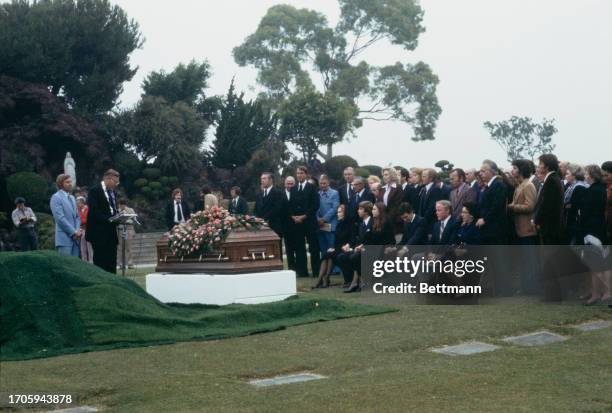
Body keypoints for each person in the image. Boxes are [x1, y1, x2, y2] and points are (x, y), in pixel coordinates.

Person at [341, 201, 394, 293]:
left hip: (382, 249)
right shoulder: (375, 221)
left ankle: (359, 282)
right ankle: (359, 282)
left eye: (374, 209)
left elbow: (389, 239)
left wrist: (366, 246)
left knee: (356, 257)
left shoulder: (386, 222)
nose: (372, 211)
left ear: (380, 211)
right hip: (372, 248)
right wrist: (362, 246)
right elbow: (369, 238)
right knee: (354, 256)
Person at [581, 165, 609, 305]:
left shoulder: (595, 190)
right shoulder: (597, 189)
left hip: (593, 229)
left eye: (586, 173)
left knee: (594, 263)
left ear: (591, 175)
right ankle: (596, 292)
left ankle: (596, 294)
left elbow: (588, 209)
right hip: (593, 227)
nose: (584, 175)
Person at [86, 169, 120, 273]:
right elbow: (94, 211)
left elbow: (113, 209)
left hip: (111, 233)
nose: (116, 184)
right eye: (115, 181)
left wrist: (119, 217)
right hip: (98, 233)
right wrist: (109, 219)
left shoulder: (113, 193)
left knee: (111, 261)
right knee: (101, 261)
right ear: (107, 179)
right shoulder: (95, 191)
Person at [289, 166, 320, 277]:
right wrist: (293, 216)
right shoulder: (293, 189)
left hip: (310, 222)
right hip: (297, 223)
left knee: (314, 248)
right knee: (299, 248)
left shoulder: (312, 187)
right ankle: (302, 272)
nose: (299, 175)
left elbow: (315, 204)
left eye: (301, 173)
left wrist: (304, 216)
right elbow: (291, 205)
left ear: (306, 174)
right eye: (297, 173)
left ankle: (316, 272)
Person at [313, 204, 353, 289]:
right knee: (326, 255)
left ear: (345, 213)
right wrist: (333, 248)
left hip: (346, 249)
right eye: (337, 212)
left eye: (339, 212)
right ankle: (320, 279)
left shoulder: (350, 225)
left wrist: (346, 246)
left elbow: (352, 240)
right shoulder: (339, 225)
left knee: (331, 255)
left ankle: (326, 278)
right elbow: (337, 241)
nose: (337, 214)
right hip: (338, 248)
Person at [533, 154, 564, 245]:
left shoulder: (551, 180)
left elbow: (546, 205)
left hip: (550, 226)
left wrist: (536, 220)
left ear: (547, 166)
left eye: (540, 163)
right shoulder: (554, 178)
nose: (538, 166)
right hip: (552, 225)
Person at [476, 160, 507, 244]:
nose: (480, 174)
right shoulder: (489, 186)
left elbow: (497, 206)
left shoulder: (498, 185)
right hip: (488, 227)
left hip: (495, 228)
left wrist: (485, 219)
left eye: (483, 171)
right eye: (480, 171)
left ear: (491, 172)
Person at [507, 159, 538, 245]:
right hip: (519, 230)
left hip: (526, 230)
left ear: (522, 170)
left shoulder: (528, 185)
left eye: (515, 168)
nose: (512, 170)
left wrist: (512, 207)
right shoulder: (519, 185)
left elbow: (530, 206)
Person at [50, 174, 81, 256]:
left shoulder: (72, 198)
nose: (70, 184)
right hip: (64, 239)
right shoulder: (56, 197)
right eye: (67, 182)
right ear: (60, 184)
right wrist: (73, 232)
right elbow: (60, 219)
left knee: (75, 266)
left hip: (76, 240)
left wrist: (77, 231)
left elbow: (77, 217)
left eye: (71, 182)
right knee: (65, 267)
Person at [563, 163, 588, 244]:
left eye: (567, 174)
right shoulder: (573, 185)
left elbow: (573, 206)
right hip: (571, 221)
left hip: (574, 222)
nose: (565, 176)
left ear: (574, 175)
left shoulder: (579, 187)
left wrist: (566, 205)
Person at [316, 174, 340, 257]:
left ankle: (335, 269)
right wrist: (318, 219)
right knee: (323, 250)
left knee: (331, 249)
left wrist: (324, 219)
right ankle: (325, 268)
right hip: (320, 225)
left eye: (324, 183)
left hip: (331, 225)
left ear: (328, 183)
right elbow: (316, 208)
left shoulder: (335, 193)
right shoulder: (318, 194)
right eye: (321, 183)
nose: (322, 185)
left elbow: (334, 208)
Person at [255, 173, 283, 237]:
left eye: (264, 178)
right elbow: (256, 209)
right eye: (261, 179)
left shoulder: (278, 193)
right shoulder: (259, 195)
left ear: (270, 180)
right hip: (261, 228)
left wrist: (263, 219)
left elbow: (276, 209)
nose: (262, 181)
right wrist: (256, 218)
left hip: (274, 227)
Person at [281, 176, 297, 271]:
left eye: (292, 184)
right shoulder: (280, 194)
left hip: (297, 225)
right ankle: (291, 268)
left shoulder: (298, 193)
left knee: (299, 248)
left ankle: (300, 269)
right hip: (286, 225)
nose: (290, 185)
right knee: (289, 248)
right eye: (288, 183)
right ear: (285, 184)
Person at [117, 199, 136, 270]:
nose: (121, 206)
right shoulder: (117, 211)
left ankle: (130, 264)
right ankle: (121, 264)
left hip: (129, 228)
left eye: (122, 204)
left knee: (129, 248)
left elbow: (134, 219)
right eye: (120, 204)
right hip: (120, 230)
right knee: (120, 248)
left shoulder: (130, 210)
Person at [76, 196, 93, 263]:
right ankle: (84, 261)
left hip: (88, 229)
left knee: (89, 247)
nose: (77, 205)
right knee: (82, 247)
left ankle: (91, 261)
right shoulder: (78, 210)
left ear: (82, 203)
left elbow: (87, 219)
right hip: (81, 230)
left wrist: (81, 222)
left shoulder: (88, 209)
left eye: (78, 203)